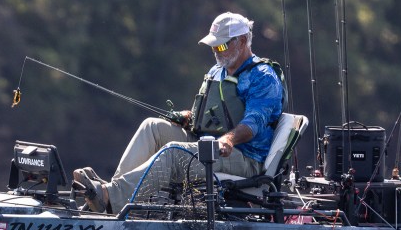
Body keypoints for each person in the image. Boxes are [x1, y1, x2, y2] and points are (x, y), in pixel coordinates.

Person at [73, 12, 285, 213]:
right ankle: (111, 195)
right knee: (152, 127)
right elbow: (208, 113)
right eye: (212, 46)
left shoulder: (262, 76)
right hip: (207, 145)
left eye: (221, 45)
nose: (215, 51)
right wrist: (187, 118)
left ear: (241, 41)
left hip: (245, 157)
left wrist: (228, 140)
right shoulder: (216, 71)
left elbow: (254, 122)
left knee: (174, 153)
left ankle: (110, 198)